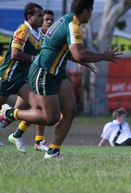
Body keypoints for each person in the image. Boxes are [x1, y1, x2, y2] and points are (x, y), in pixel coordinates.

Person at [0, 0, 122, 159]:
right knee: (51, 118)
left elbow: (67, 51)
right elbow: (79, 53)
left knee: (70, 111)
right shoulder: (72, 25)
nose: (91, 14)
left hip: (56, 72)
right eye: (91, 10)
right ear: (85, 11)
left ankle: (53, 151)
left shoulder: (66, 19)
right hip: (44, 72)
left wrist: (84, 62)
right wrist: (103, 56)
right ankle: (10, 114)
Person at [6, 9, 55, 153]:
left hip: (32, 80)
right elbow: (17, 54)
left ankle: (37, 140)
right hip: (17, 78)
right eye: (46, 19)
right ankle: (15, 131)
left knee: (39, 109)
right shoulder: (31, 34)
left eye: (52, 20)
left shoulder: (48, 37)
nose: (49, 22)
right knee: (14, 115)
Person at [0, 2, 44, 151]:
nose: (42, 18)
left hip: (21, 79)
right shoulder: (23, 30)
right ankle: (7, 114)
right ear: (29, 16)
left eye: (43, 16)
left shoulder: (38, 33)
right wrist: (35, 59)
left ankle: (16, 133)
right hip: (8, 77)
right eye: (39, 16)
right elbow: (15, 54)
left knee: (38, 107)